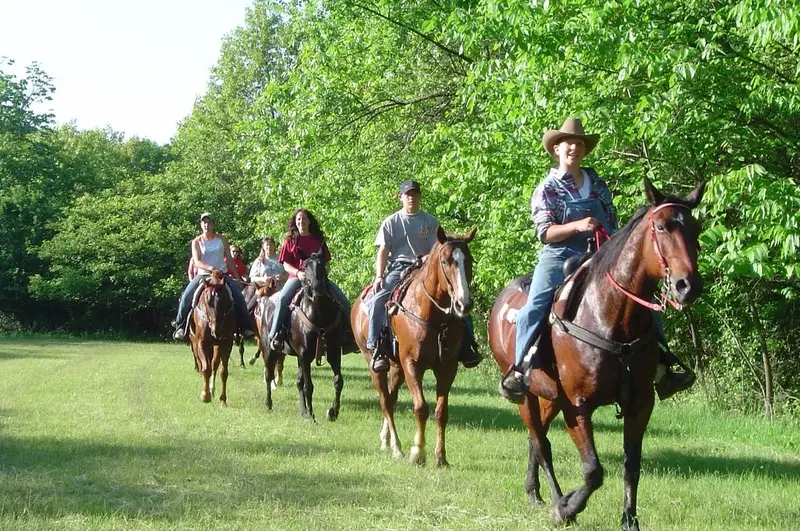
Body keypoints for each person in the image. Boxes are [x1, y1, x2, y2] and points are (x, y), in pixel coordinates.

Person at [499, 118, 695, 403]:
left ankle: (663, 367)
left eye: (579, 144)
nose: (574, 148)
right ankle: (520, 370)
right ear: (556, 149)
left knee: (643, 299)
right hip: (559, 255)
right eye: (568, 143)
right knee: (535, 306)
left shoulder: (598, 184)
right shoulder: (547, 188)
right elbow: (545, 232)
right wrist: (577, 226)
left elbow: (612, 221)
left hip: (600, 254)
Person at [367, 179, 482, 373]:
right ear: (400, 197)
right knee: (378, 299)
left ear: (420, 196)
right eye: (408, 194)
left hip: (425, 267)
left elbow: (438, 249)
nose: (411, 198)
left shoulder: (430, 222)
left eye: (415, 194)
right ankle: (376, 347)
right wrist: (379, 276)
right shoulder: (391, 222)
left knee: (459, 299)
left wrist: (424, 260)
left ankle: (467, 347)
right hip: (398, 268)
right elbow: (383, 250)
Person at [268, 209, 352, 350]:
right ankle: (276, 334)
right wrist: (298, 273)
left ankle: (348, 336)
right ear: (295, 222)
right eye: (299, 219)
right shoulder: (289, 241)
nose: (301, 222)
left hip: (318, 279)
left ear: (309, 221)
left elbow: (326, 262)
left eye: (304, 219)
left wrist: (323, 273)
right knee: (283, 299)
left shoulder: (318, 240)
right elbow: (286, 264)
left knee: (344, 301)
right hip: (297, 277)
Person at [171, 213, 256, 340]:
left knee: (238, 296)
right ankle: (180, 326)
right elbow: (197, 261)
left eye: (209, 222)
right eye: (204, 222)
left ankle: (245, 327)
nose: (207, 225)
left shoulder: (222, 239)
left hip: (222, 274)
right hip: (203, 275)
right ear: (201, 225)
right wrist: (211, 268)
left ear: (213, 224)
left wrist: (237, 277)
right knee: (187, 296)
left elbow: (230, 260)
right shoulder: (197, 242)